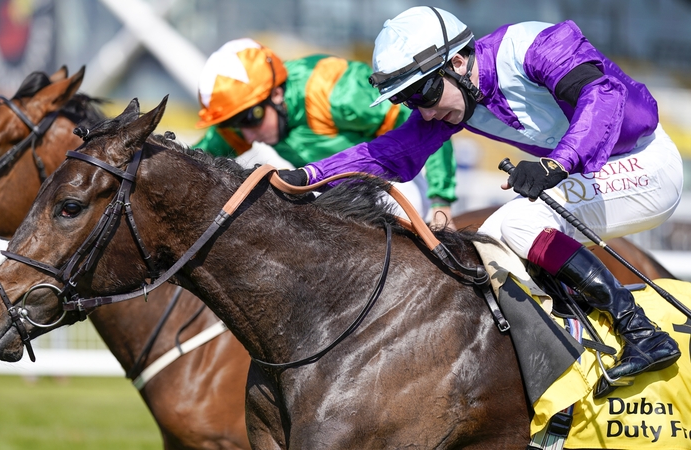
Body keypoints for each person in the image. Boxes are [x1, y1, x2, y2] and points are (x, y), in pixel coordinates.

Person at [279, 6, 683, 398]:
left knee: (517, 223)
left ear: (456, 62)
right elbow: (390, 154)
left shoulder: (536, 46)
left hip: (645, 162)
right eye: (406, 100)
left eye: (422, 91)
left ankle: (641, 333)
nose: (424, 109)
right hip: (590, 172)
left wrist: (555, 164)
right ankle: (570, 345)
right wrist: (309, 177)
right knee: (491, 238)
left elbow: (603, 96)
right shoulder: (457, 99)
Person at [193, 38, 457, 224]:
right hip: (330, 186)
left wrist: (440, 200)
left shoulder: (335, 91)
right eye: (233, 124)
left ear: (275, 93)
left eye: (250, 119)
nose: (246, 135)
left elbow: (428, 121)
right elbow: (195, 160)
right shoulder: (250, 119)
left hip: (398, 176)